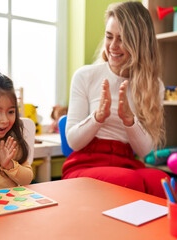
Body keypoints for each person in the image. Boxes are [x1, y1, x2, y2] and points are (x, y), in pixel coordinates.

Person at [62, 1, 170, 198]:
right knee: (130, 182)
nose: (113, 46)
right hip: (85, 163)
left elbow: (144, 151)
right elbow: (73, 142)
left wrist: (130, 121)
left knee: (162, 182)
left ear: (139, 43)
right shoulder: (85, 76)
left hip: (126, 162)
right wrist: (97, 118)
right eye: (109, 36)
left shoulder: (154, 86)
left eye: (122, 39)